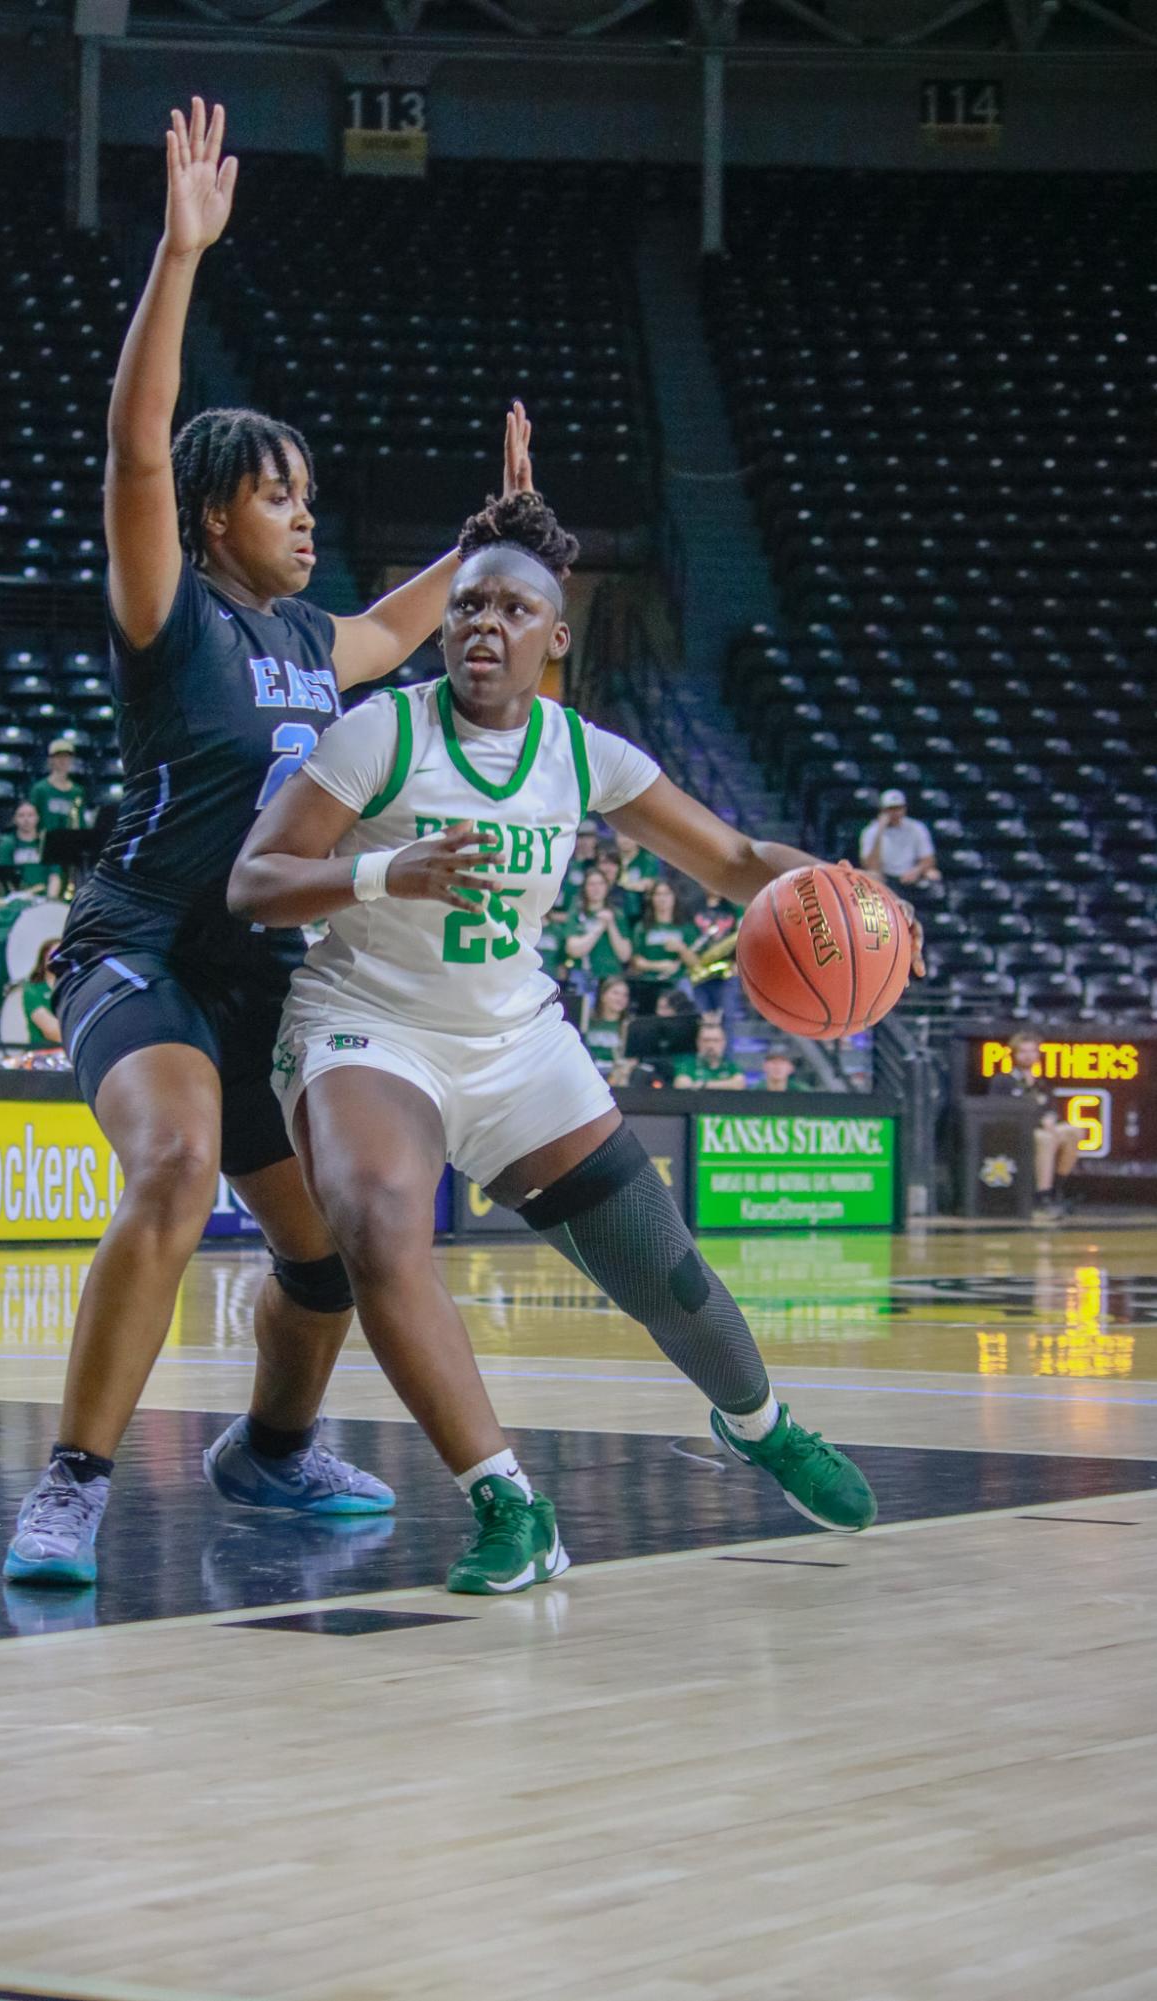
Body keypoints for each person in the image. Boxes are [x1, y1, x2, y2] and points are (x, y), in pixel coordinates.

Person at [4, 97, 539, 1587]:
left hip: (267, 982)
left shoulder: (319, 633)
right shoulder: (167, 617)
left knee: (330, 1253)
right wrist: (179, 260)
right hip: (142, 951)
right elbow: (129, 445)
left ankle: (274, 1447)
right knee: (175, 1168)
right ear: (210, 513)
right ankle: (71, 1481)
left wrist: (494, 540)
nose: (303, 517)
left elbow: (396, 624)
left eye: (306, 496)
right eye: (275, 494)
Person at [229, 490, 919, 1593]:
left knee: (663, 1272)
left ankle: (758, 1420)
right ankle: (507, 1501)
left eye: (509, 609)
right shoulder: (381, 731)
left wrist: (856, 897)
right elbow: (254, 882)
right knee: (374, 1215)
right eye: (464, 607)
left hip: (516, 1044)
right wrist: (378, 870)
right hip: (371, 1025)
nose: (480, 627)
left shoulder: (580, 751)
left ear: (555, 638)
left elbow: (737, 862)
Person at [989, 1030, 1079, 1213]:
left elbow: (1052, 1111)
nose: (1028, 1056)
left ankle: (1057, 1189)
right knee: (1044, 1138)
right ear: (1014, 1054)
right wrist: (1039, 1120)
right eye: (1023, 1051)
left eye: (1032, 1051)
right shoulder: (1003, 1080)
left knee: (1074, 1131)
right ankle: (1042, 1197)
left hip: (1044, 1130)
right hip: (1015, 1132)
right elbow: (998, 1110)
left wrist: (1051, 1120)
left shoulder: (1042, 1084)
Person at [563, 864, 632, 985]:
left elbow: (625, 955)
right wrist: (598, 928)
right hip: (583, 974)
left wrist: (610, 925)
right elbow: (573, 950)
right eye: (592, 884)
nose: (596, 888)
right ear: (585, 888)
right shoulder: (577, 913)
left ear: (607, 887)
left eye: (601, 884)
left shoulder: (618, 915)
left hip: (611, 976)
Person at [630, 878, 700, 998]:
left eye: (667, 894)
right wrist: (659, 965)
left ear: (674, 897)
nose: (662, 899)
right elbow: (635, 961)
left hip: (678, 981)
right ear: (651, 898)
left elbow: (696, 963)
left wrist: (681, 949)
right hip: (649, 981)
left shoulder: (687, 928)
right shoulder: (642, 927)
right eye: (658, 894)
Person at [859, 787, 940, 887]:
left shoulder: (916, 827)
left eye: (898, 808)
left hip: (910, 875)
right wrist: (879, 832)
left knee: (933, 874)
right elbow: (870, 865)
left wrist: (916, 871)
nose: (896, 813)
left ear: (904, 809)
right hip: (885, 877)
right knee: (872, 875)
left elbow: (928, 859)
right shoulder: (871, 831)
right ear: (883, 810)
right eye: (891, 809)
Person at [0, 799, 62, 898]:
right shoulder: (6, 844)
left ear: (38, 817)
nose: (26, 819)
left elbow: (54, 877)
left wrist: (50, 900)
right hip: (15, 898)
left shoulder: (47, 844)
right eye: (21, 815)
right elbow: (3, 878)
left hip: (42, 898)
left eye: (30, 815)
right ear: (14, 819)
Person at [672, 1014, 745, 1091]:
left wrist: (702, 1085)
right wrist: (726, 1084)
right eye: (706, 1040)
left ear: (723, 1043)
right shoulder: (688, 1064)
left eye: (715, 1040)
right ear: (698, 1042)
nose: (710, 1045)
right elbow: (681, 1083)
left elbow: (739, 1084)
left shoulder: (731, 1066)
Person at [30, 739, 88, 835]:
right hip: (45, 841)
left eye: (66, 756)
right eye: (58, 756)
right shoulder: (40, 789)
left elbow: (78, 820)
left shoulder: (77, 791)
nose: (63, 760)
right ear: (50, 760)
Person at [582, 975, 631, 1082]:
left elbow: (632, 1058)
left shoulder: (628, 1025)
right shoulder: (587, 1022)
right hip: (589, 1068)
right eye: (616, 993)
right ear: (603, 996)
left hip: (615, 1071)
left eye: (625, 995)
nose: (621, 999)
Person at [21, 941, 62, 1048]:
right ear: (43, 960)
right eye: (53, 955)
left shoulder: (74, 987)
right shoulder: (33, 990)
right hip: (44, 1054)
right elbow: (52, 1032)